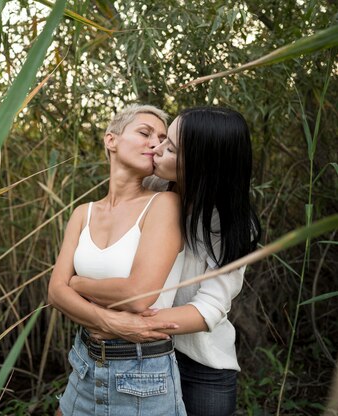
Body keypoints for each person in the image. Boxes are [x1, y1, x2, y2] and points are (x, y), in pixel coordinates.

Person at [69, 106, 261, 416]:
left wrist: (124, 320)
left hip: (201, 365)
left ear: (200, 163)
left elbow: (208, 308)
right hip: (140, 357)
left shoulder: (229, 223)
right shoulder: (155, 190)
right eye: (161, 139)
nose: (156, 149)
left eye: (169, 147)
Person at [48, 104, 187, 415]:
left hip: (142, 375)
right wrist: (110, 320)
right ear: (111, 140)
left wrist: (76, 283)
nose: (156, 143)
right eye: (144, 132)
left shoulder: (164, 204)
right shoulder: (82, 214)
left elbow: (139, 296)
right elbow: (54, 293)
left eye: (163, 138)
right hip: (84, 361)